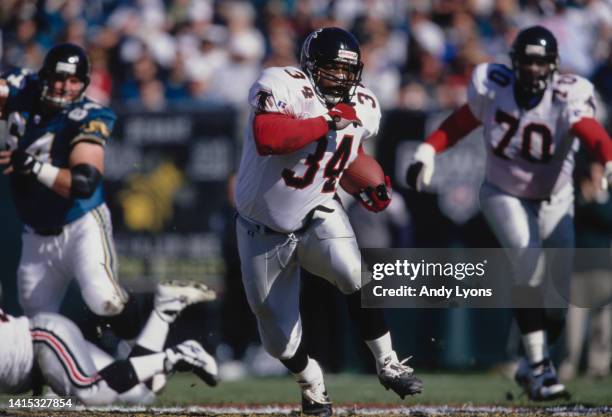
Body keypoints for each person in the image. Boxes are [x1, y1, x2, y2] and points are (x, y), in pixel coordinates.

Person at [406, 26, 612, 401]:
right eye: (528, 61)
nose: (534, 69)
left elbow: (591, 131)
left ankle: (528, 364)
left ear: (553, 66)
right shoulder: (493, 86)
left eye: (541, 62)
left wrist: (607, 157)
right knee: (527, 260)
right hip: (504, 193)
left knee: (557, 304)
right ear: (515, 62)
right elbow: (462, 121)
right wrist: (427, 151)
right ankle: (539, 369)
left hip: (556, 198)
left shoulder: (569, 95)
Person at [235, 27, 422, 416]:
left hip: (318, 208)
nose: (341, 78)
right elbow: (268, 135)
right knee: (278, 342)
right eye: (332, 69)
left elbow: (346, 152)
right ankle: (311, 381)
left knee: (355, 273)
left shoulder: (365, 104)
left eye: (347, 70)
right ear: (311, 65)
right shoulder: (282, 83)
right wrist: (327, 121)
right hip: (261, 228)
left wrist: (369, 183)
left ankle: (388, 361)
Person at [0, 43, 138, 338]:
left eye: (74, 81)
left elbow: (84, 184)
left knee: (104, 299)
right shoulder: (21, 86)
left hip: (81, 224)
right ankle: (56, 381)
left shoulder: (89, 115)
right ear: (44, 77)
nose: (65, 87)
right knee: (39, 328)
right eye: (59, 79)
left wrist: (36, 167)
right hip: (35, 234)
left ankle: (148, 337)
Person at [0, 280, 218, 405]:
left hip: (43, 341)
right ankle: (164, 311)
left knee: (93, 394)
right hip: (41, 358)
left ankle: (178, 355)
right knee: (140, 393)